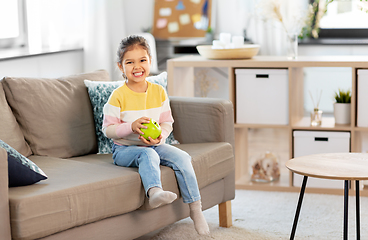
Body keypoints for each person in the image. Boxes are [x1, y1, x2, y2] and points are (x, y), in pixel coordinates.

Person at [102, 35, 210, 235]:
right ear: (120, 66)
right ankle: (155, 192)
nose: (137, 66)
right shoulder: (118, 95)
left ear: (150, 61)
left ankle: (196, 209)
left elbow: (167, 123)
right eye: (130, 62)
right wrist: (130, 127)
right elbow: (107, 129)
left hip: (153, 144)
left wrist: (160, 137)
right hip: (124, 149)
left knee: (182, 157)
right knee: (148, 155)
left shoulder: (159, 91)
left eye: (142, 60)